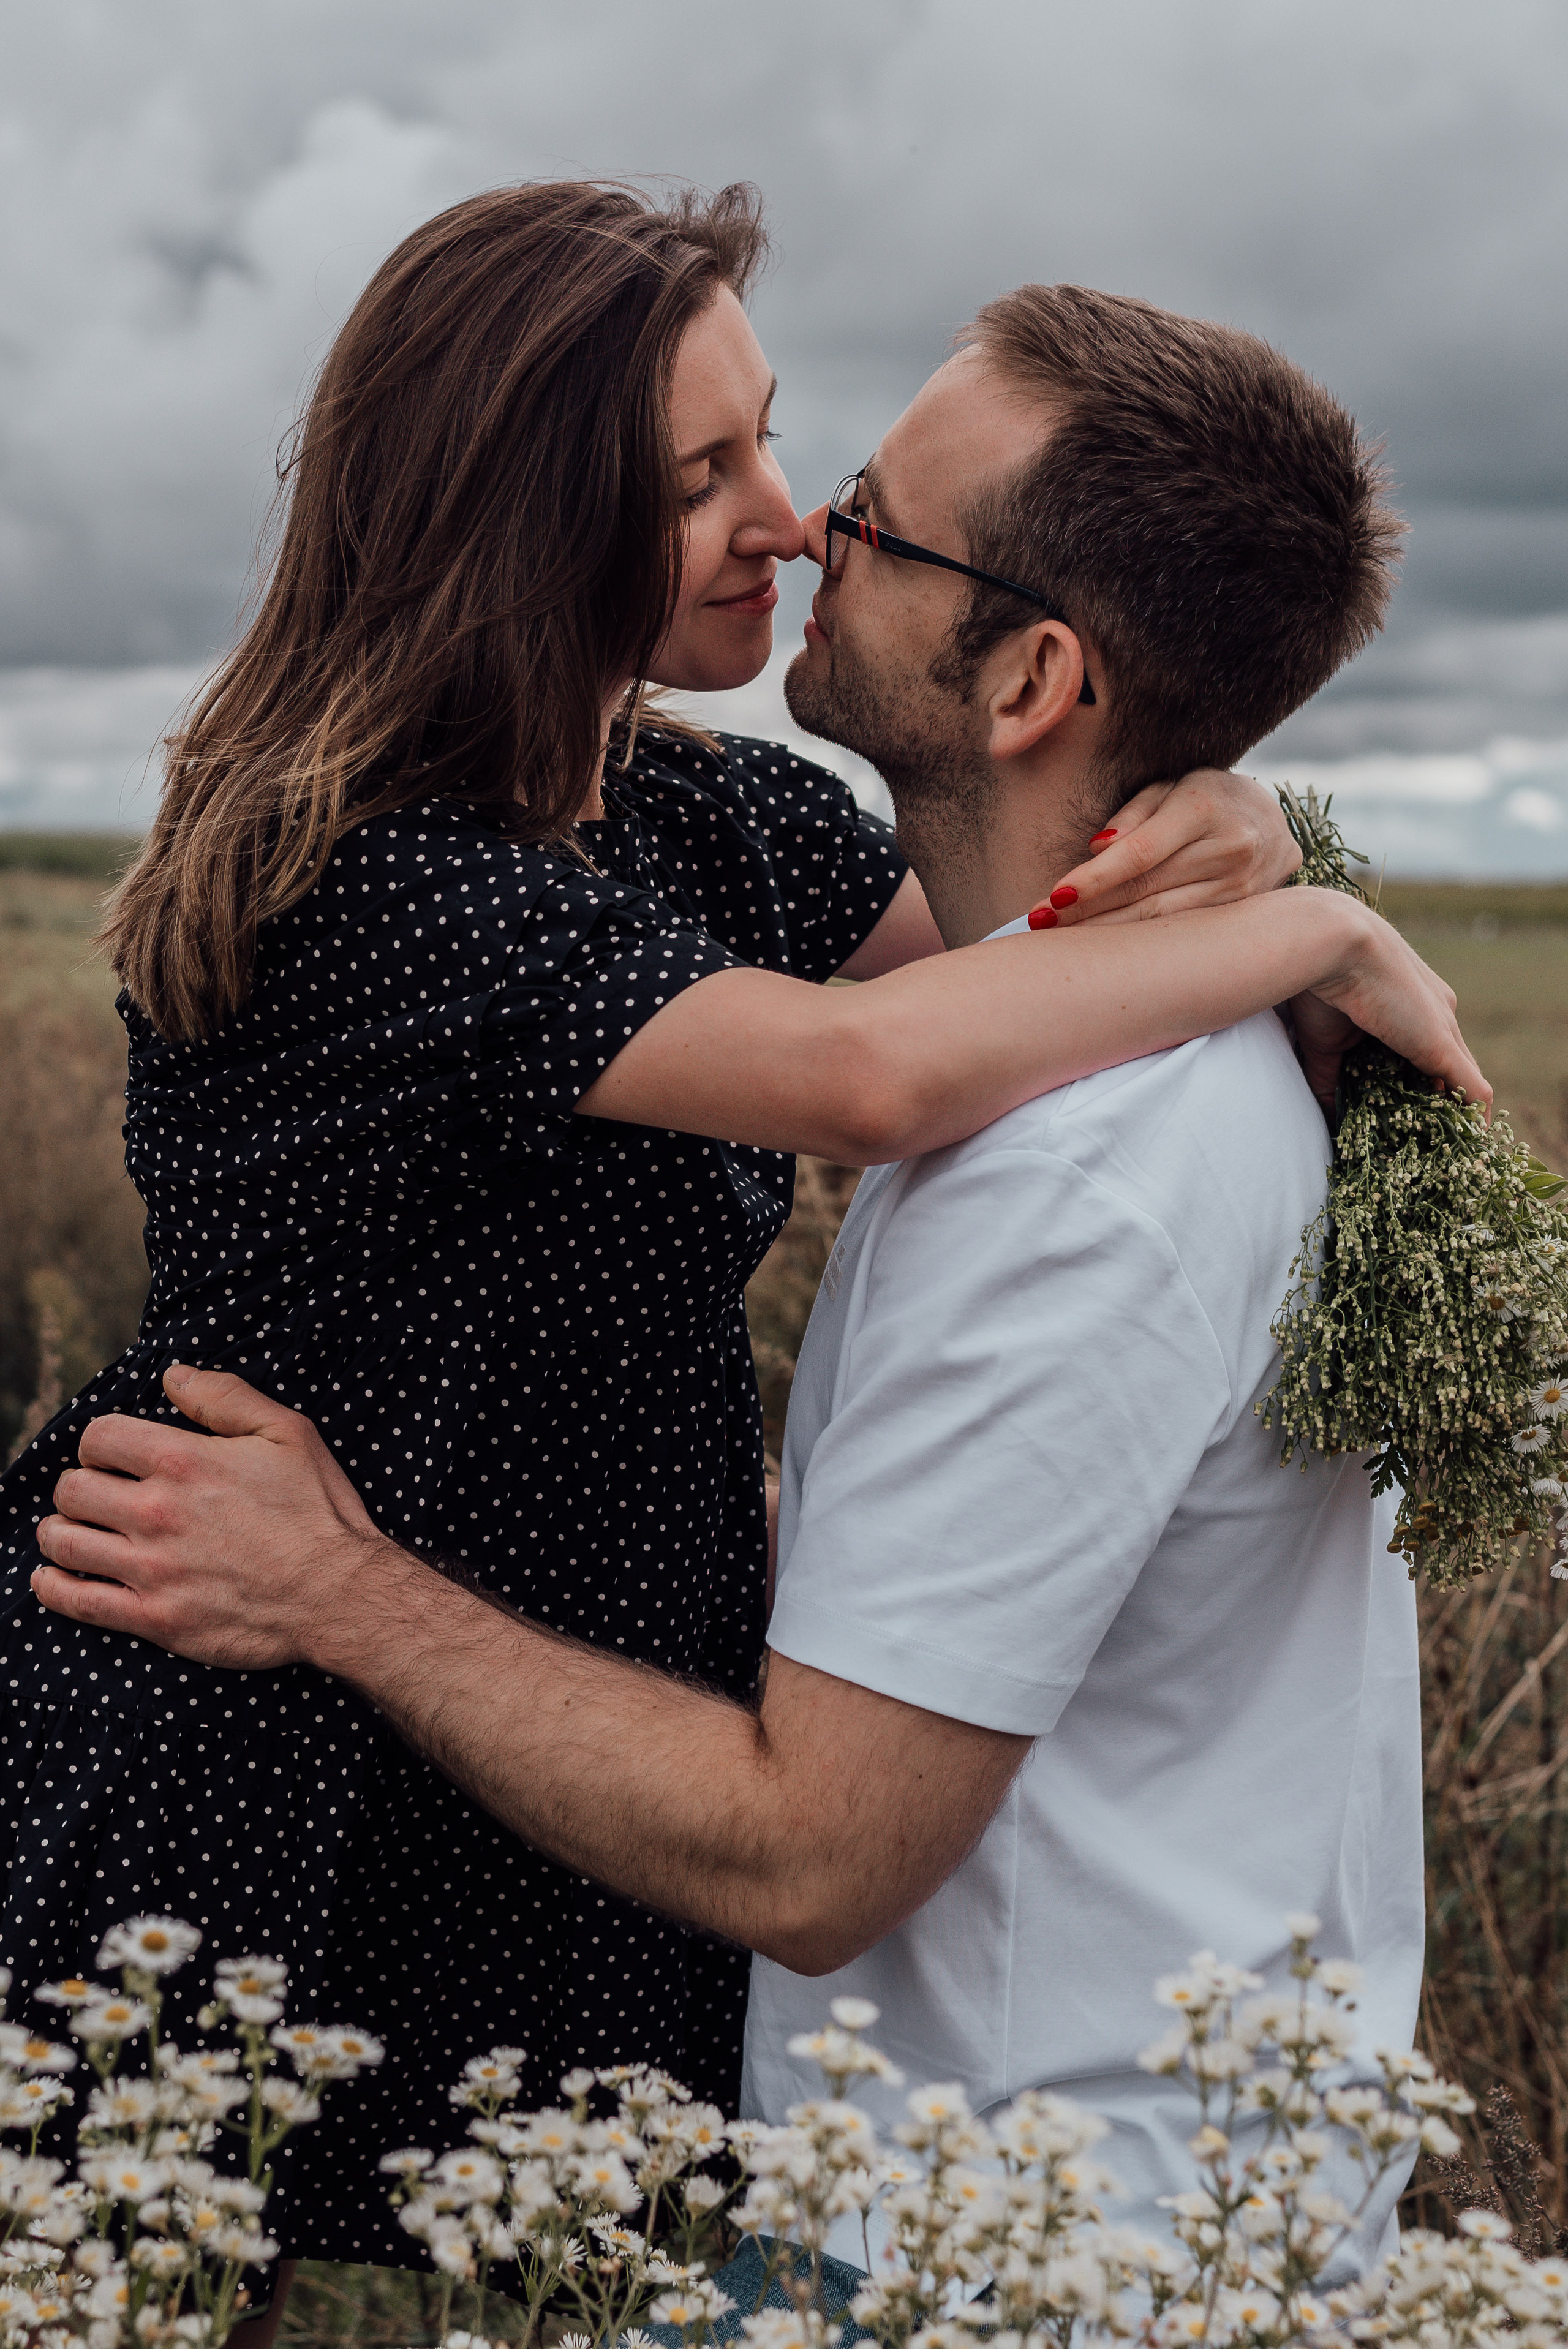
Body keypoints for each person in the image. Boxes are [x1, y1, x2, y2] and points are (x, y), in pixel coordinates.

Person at [37, 277, 1460, 2285]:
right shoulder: (384, 879)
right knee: (172, 2252)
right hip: (262, 1662)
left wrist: (1228, 818)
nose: (791, 520)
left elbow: (1021, 946)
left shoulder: (707, 815)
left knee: (537, 2259)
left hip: (565, 1702)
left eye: (789, 454)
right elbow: (872, 1070)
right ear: (528, 522)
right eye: (705, 475)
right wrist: (1313, 927)